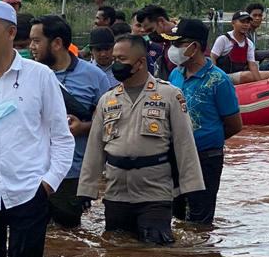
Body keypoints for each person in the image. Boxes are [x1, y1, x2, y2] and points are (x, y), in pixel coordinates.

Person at [0, 0, 74, 257]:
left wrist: (48, 183)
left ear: (10, 33)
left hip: (28, 193)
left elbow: (62, 138)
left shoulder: (41, 76)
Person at [77, 34, 204, 245]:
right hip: (116, 192)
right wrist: (86, 190)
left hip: (154, 191)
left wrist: (191, 189)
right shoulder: (107, 100)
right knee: (117, 252)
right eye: (114, 58)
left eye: (122, 60)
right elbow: (94, 149)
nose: (115, 64)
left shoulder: (169, 95)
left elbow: (185, 144)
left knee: (155, 252)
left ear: (140, 62)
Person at [29, 15, 110, 228]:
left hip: (73, 172)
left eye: (37, 41)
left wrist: (83, 127)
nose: (31, 47)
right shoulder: (27, 75)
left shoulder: (94, 77)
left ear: (56, 44)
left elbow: (112, 122)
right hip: (32, 170)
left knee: (68, 237)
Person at [164, 18, 243, 225]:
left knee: (201, 218)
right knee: (176, 214)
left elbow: (234, 124)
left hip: (206, 157)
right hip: (176, 154)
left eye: (177, 44)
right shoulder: (175, 74)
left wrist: (207, 138)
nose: (172, 49)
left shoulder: (218, 80)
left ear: (194, 46)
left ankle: (201, 255)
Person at [210, 10, 269, 84]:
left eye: (247, 22)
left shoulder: (249, 43)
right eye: (242, 22)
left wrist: (259, 83)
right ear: (233, 23)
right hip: (224, 76)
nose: (245, 25)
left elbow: (252, 65)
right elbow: (212, 57)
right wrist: (215, 77)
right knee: (248, 75)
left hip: (240, 74)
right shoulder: (223, 39)